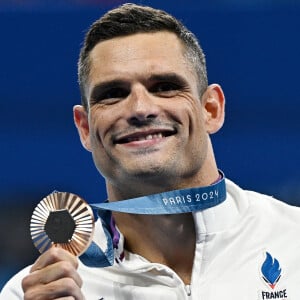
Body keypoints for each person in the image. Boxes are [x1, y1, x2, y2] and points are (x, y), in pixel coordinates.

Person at [1, 3, 300, 299]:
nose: (140, 109)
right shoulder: (36, 292)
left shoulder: (293, 240)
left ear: (211, 109)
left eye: (165, 86)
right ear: (85, 128)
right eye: (113, 94)